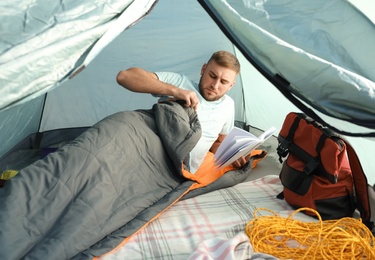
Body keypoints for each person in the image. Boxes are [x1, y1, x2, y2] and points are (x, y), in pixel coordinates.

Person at [116, 50, 251, 173]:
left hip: (180, 171)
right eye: (212, 75)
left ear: (231, 85)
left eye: (223, 82)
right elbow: (125, 77)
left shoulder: (228, 105)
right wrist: (175, 91)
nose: (215, 85)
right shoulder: (179, 83)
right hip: (148, 153)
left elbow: (218, 143)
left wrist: (232, 156)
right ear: (203, 69)